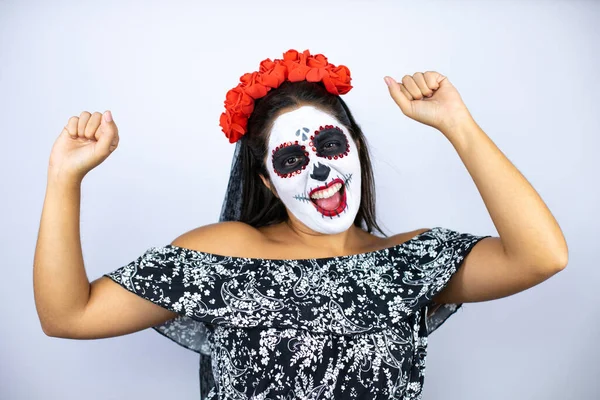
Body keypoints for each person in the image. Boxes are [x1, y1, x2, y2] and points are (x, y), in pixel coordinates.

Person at [34, 49, 568, 399]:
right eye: (291, 159)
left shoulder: (412, 263)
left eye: (331, 144)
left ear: (356, 148)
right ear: (266, 181)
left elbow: (542, 256)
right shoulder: (226, 253)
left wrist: (458, 125)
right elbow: (67, 315)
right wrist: (65, 177)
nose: (319, 169)